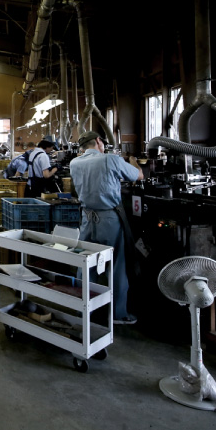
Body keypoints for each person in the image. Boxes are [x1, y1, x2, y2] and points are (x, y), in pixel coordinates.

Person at [69, 130, 144, 325]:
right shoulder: (110, 159)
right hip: (109, 219)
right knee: (117, 264)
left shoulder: (74, 163)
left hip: (87, 219)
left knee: (86, 264)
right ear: (98, 141)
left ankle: (83, 309)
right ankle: (118, 314)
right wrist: (133, 162)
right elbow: (139, 176)